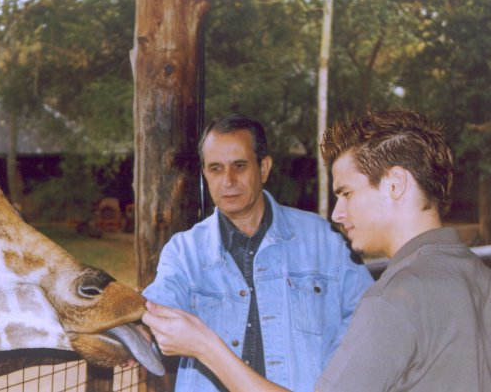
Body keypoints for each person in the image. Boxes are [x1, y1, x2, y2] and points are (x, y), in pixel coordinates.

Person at [143, 110, 491, 391]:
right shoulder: (479, 276)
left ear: (396, 184)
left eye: (347, 193)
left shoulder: (390, 300)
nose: (338, 213)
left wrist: (206, 346)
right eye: (215, 169)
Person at [142, 113, 374, 392]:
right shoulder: (184, 252)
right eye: (215, 169)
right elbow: (152, 314)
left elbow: (366, 320)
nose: (227, 180)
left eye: (239, 166)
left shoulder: (324, 240)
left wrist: (334, 382)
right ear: (205, 174)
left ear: (263, 168)